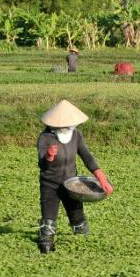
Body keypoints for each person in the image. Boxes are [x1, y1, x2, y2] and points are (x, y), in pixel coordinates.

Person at [36, 99, 113, 253]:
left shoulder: (76, 134)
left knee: (78, 220)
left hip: (71, 184)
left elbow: (87, 156)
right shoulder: (45, 138)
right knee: (48, 225)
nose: (67, 128)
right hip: (50, 184)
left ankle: (83, 250)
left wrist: (101, 177)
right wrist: (49, 157)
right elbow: (43, 164)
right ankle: (46, 246)